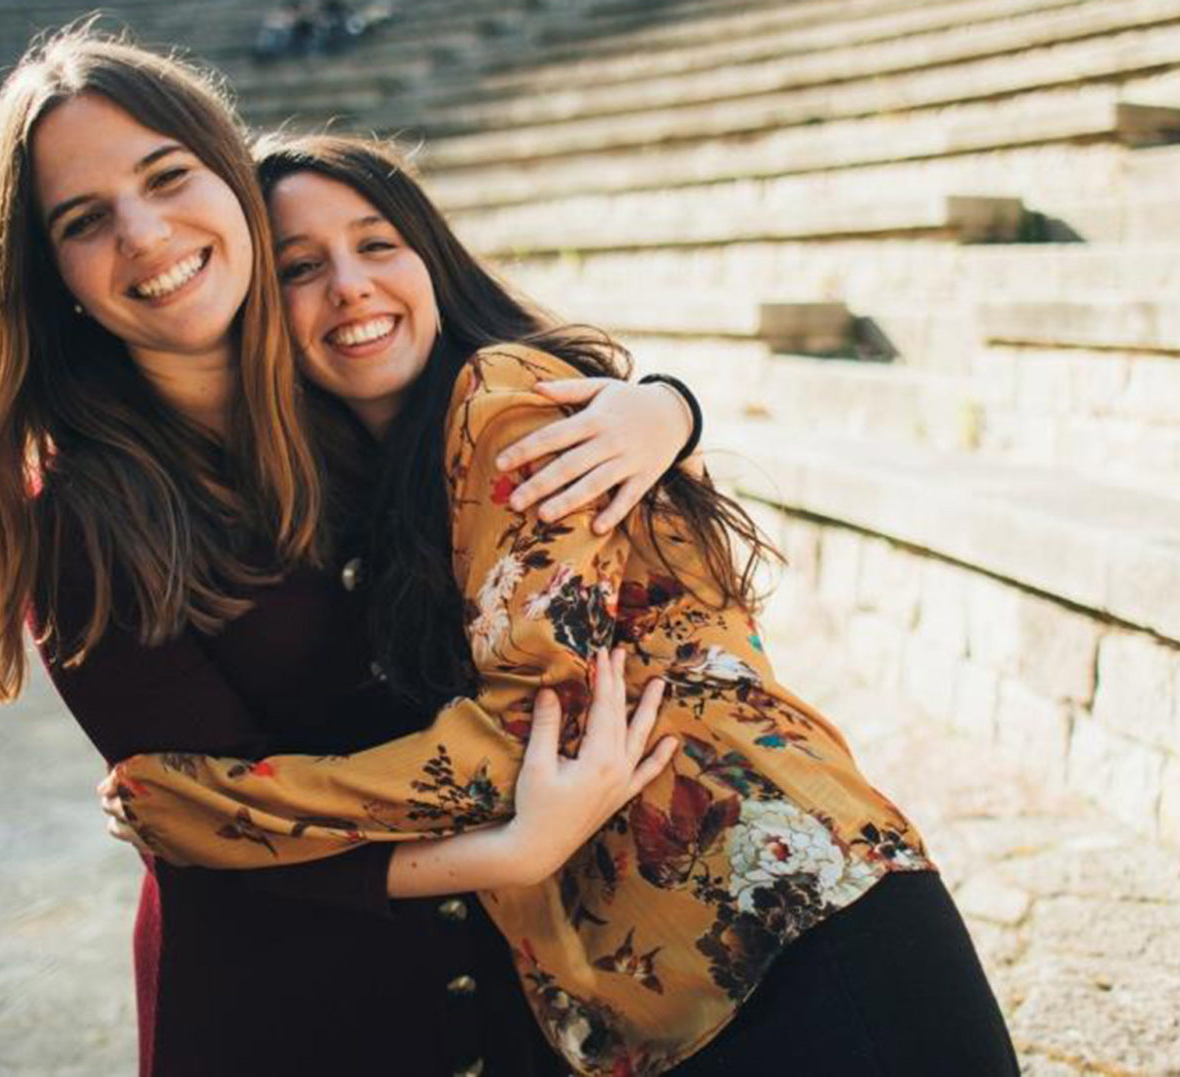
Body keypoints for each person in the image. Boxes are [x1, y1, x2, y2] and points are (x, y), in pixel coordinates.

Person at [102, 135, 1021, 1076]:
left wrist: (210, 806)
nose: (348, 285)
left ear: (432, 259)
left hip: (803, 926)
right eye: (301, 266)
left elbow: (534, 739)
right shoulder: (373, 494)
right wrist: (674, 407)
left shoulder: (504, 402)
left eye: (378, 244)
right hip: (678, 984)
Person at [0, 31, 701, 1075]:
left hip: (513, 979)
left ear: (235, 184)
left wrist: (665, 409)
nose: (146, 234)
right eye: (85, 221)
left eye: (168, 178)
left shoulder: (351, 392)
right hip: (293, 1012)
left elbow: (519, 378)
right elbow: (214, 831)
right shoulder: (75, 512)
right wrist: (514, 848)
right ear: (51, 273)